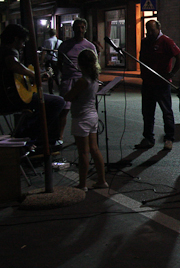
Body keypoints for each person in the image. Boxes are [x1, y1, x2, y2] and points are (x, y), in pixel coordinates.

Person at [1, 24, 65, 147]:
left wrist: (33, 79)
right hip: (10, 100)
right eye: (22, 42)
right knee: (58, 102)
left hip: (8, 98)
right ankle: (29, 136)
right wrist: (34, 75)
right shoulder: (9, 51)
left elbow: (15, 78)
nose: (23, 46)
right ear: (15, 39)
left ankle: (27, 133)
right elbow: (12, 64)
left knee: (44, 104)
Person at [136, 20, 180, 151]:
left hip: (161, 83)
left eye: (152, 30)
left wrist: (172, 73)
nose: (150, 33)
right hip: (147, 83)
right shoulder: (145, 42)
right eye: (148, 30)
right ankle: (148, 138)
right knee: (147, 112)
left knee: (166, 112)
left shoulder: (166, 41)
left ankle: (169, 138)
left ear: (159, 28)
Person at [63, 49, 107, 191]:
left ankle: (82, 184)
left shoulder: (82, 81)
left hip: (81, 117)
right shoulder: (94, 79)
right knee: (94, 149)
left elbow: (68, 97)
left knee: (83, 152)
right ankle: (101, 180)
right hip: (92, 115)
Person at [58, 18, 96, 145]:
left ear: (85, 29)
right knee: (64, 109)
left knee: (83, 110)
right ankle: (59, 136)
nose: (80, 30)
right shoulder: (65, 45)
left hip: (83, 80)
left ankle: (83, 136)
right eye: (77, 27)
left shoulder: (90, 46)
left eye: (82, 27)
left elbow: (94, 64)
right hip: (68, 79)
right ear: (73, 29)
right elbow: (59, 62)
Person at [40, 29, 61, 94]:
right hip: (56, 60)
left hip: (49, 61)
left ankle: (51, 91)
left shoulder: (47, 41)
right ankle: (60, 88)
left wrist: (41, 61)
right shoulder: (60, 42)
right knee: (57, 75)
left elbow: (44, 52)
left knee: (49, 76)